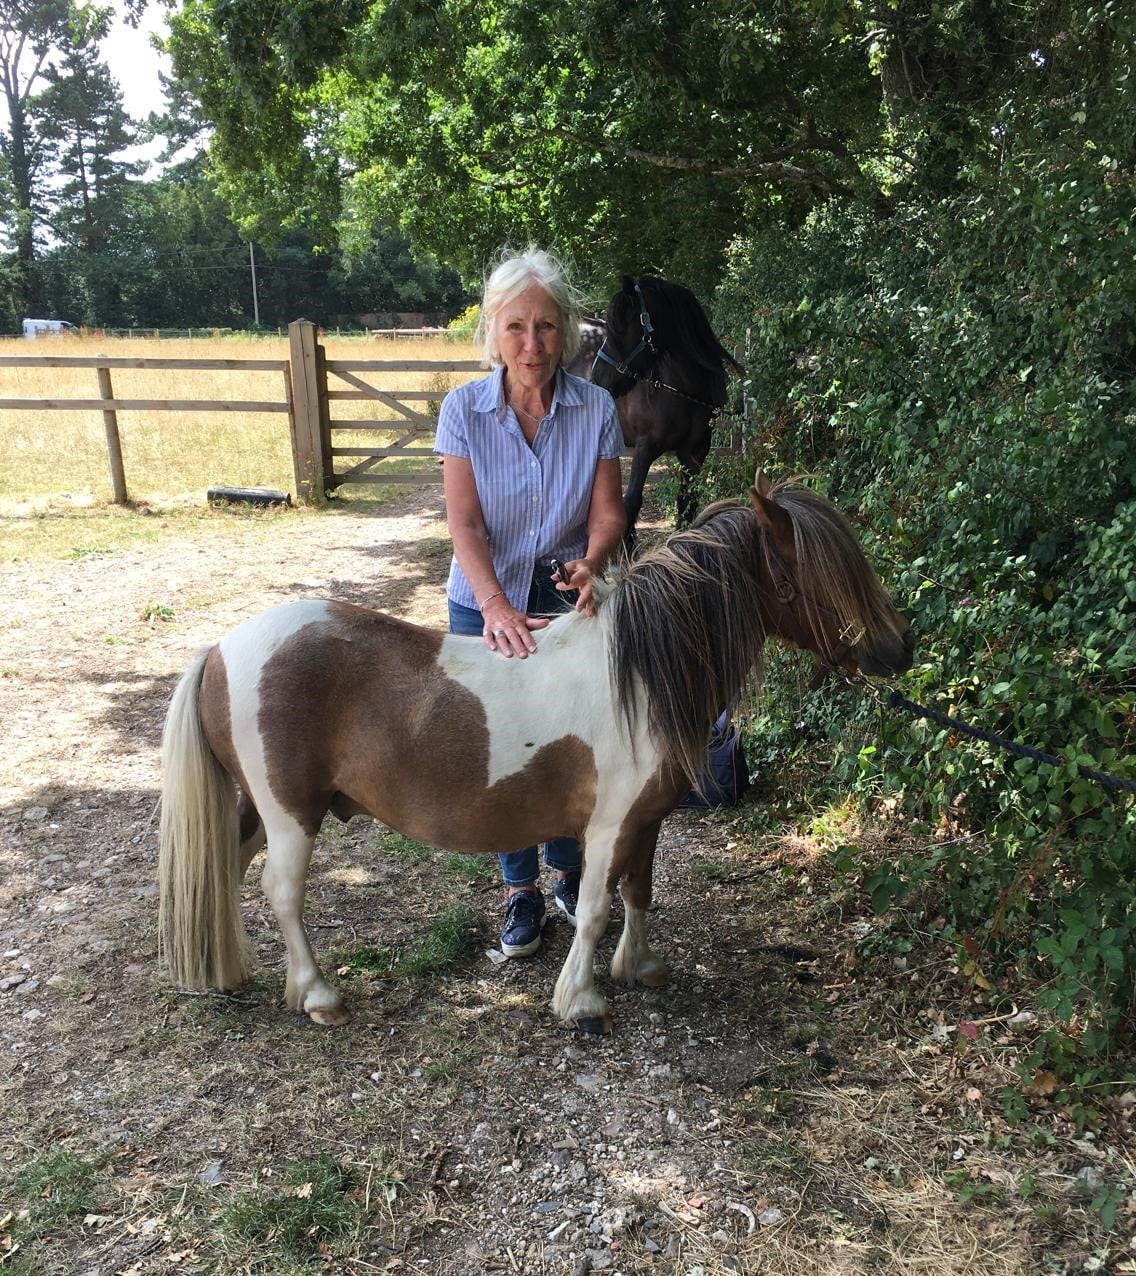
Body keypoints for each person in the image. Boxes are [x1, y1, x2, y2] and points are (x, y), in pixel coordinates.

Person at [434, 247, 627, 957]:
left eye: (546, 327)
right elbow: (464, 523)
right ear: (493, 332)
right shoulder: (463, 411)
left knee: (568, 741)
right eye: (516, 327)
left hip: (563, 595)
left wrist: (592, 562)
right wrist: (492, 606)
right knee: (503, 746)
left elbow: (609, 511)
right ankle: (519, 891)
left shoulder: (597, 407)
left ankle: (569, 872)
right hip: (482, 598)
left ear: (567, 330)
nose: (533, 345)